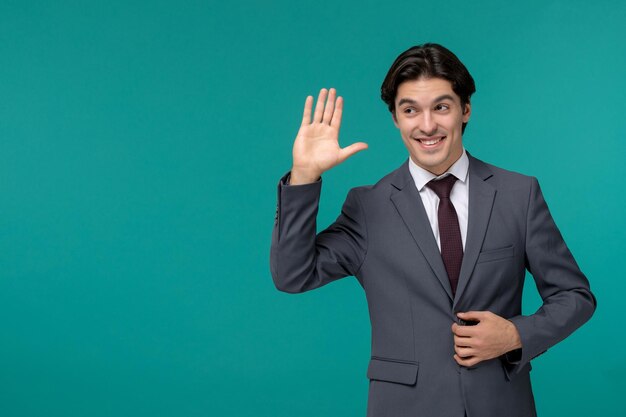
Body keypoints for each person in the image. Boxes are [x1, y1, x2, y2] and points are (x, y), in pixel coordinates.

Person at [270, 43, 595, 417]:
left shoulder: (518, 195)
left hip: (500, 404)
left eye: (441, 107)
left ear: (465, 110)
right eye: (410, 110)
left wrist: (515, 335)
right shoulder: (367, 207)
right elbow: (292, 275)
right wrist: (305, 177)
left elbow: (575, 295)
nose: (427, 126)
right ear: (395, 118)